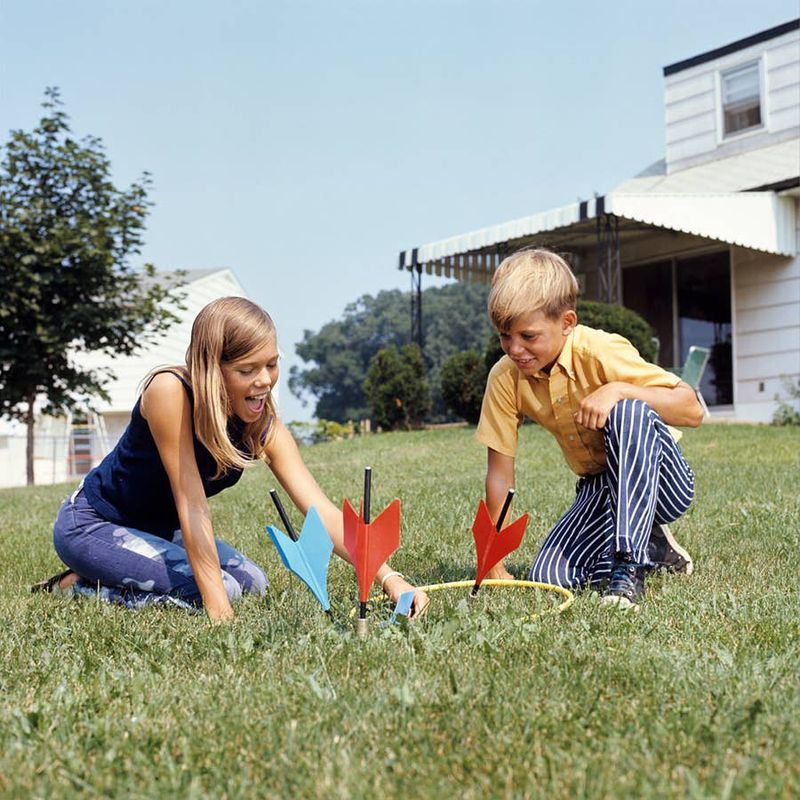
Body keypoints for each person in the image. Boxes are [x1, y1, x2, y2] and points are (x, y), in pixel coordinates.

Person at [33, 297, 428, 621]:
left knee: (253, 584)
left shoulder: (260, 422)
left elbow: (320, 512)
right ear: (212, 368)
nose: (264, 381)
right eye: (247, 370)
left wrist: (389, 577)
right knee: (225, 591)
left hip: (158, 533)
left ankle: (114, 575)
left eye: (271, 364)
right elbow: (191, 505)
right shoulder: (170, 392)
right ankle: (80, 584)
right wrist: (220, 615)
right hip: (93, 525)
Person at [476, 248, 703, 609]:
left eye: (528, 336)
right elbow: (500, 477)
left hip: (663, 482)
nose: (515, 349)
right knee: (547, 579)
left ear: (566, 323)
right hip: (601, 487)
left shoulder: (600, 350)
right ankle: (654, 547)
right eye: (505, 336)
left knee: (628, 412)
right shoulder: (505, 377)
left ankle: (629, 564)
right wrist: (495, 563)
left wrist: (618, 390)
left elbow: (692, 409)